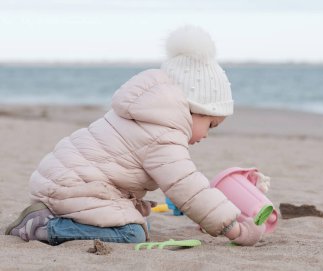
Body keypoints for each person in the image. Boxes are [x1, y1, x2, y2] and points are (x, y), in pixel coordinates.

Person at [6, 25, 270, 246]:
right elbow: (188, 188)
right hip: (73, 189)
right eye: (211, 124)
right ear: (193, 109)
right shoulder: (162, 134)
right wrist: (235, 230)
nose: (208, 135)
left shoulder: (146, 114)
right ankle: (44, 228)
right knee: (132, 233)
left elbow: (184, 190)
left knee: (138, 218)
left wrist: (204, 216)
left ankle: (49, 217)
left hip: (67, 182)